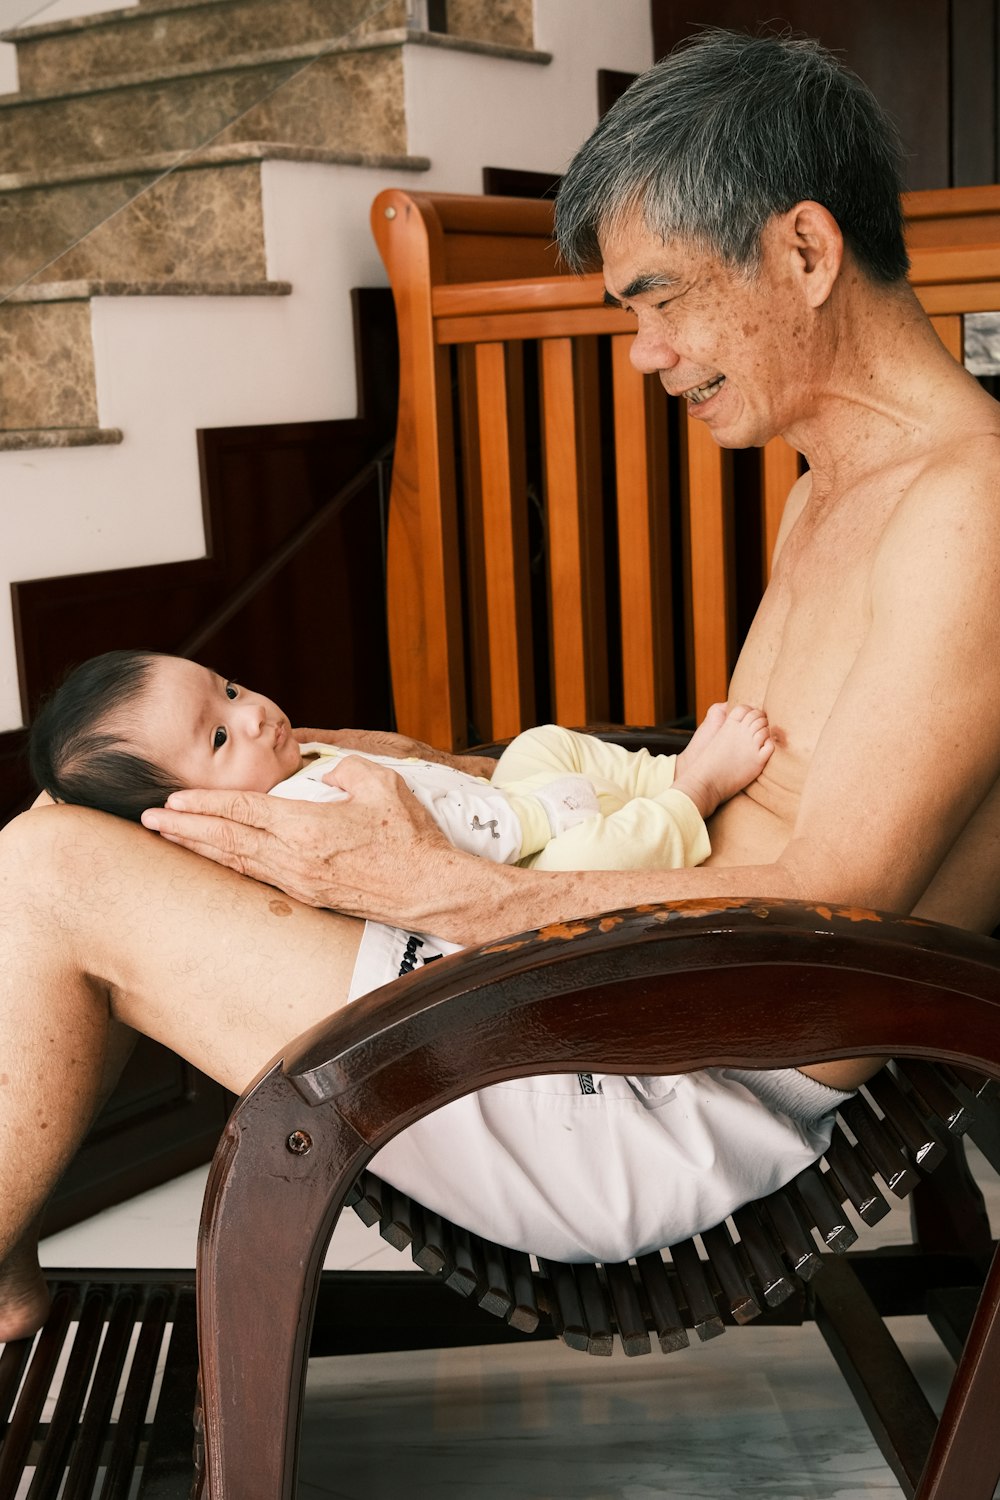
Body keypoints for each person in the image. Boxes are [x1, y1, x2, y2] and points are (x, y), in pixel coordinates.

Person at [3, 28, 999, 1344]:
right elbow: (746, 803)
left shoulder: (970, 511)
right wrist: (450, 777)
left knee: (56, 872)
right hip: (624, 1012)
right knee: (76, 841)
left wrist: (451, 890)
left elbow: (837, 901)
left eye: (662, 298)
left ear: (805, 253)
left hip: (659, 1091)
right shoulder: (838, 495)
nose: (646, 354)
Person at [28, 647, 773, 870]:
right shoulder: (300, 815)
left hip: (501, 809)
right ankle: (695, 792)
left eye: (227, 688)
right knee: (598, 858)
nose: (251, 712)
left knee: (537, 744)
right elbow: (453, 845)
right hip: (512, 863)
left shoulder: (291, 762)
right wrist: (544, 812)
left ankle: (659, 777)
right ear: (191, 809)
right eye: (219, 737)